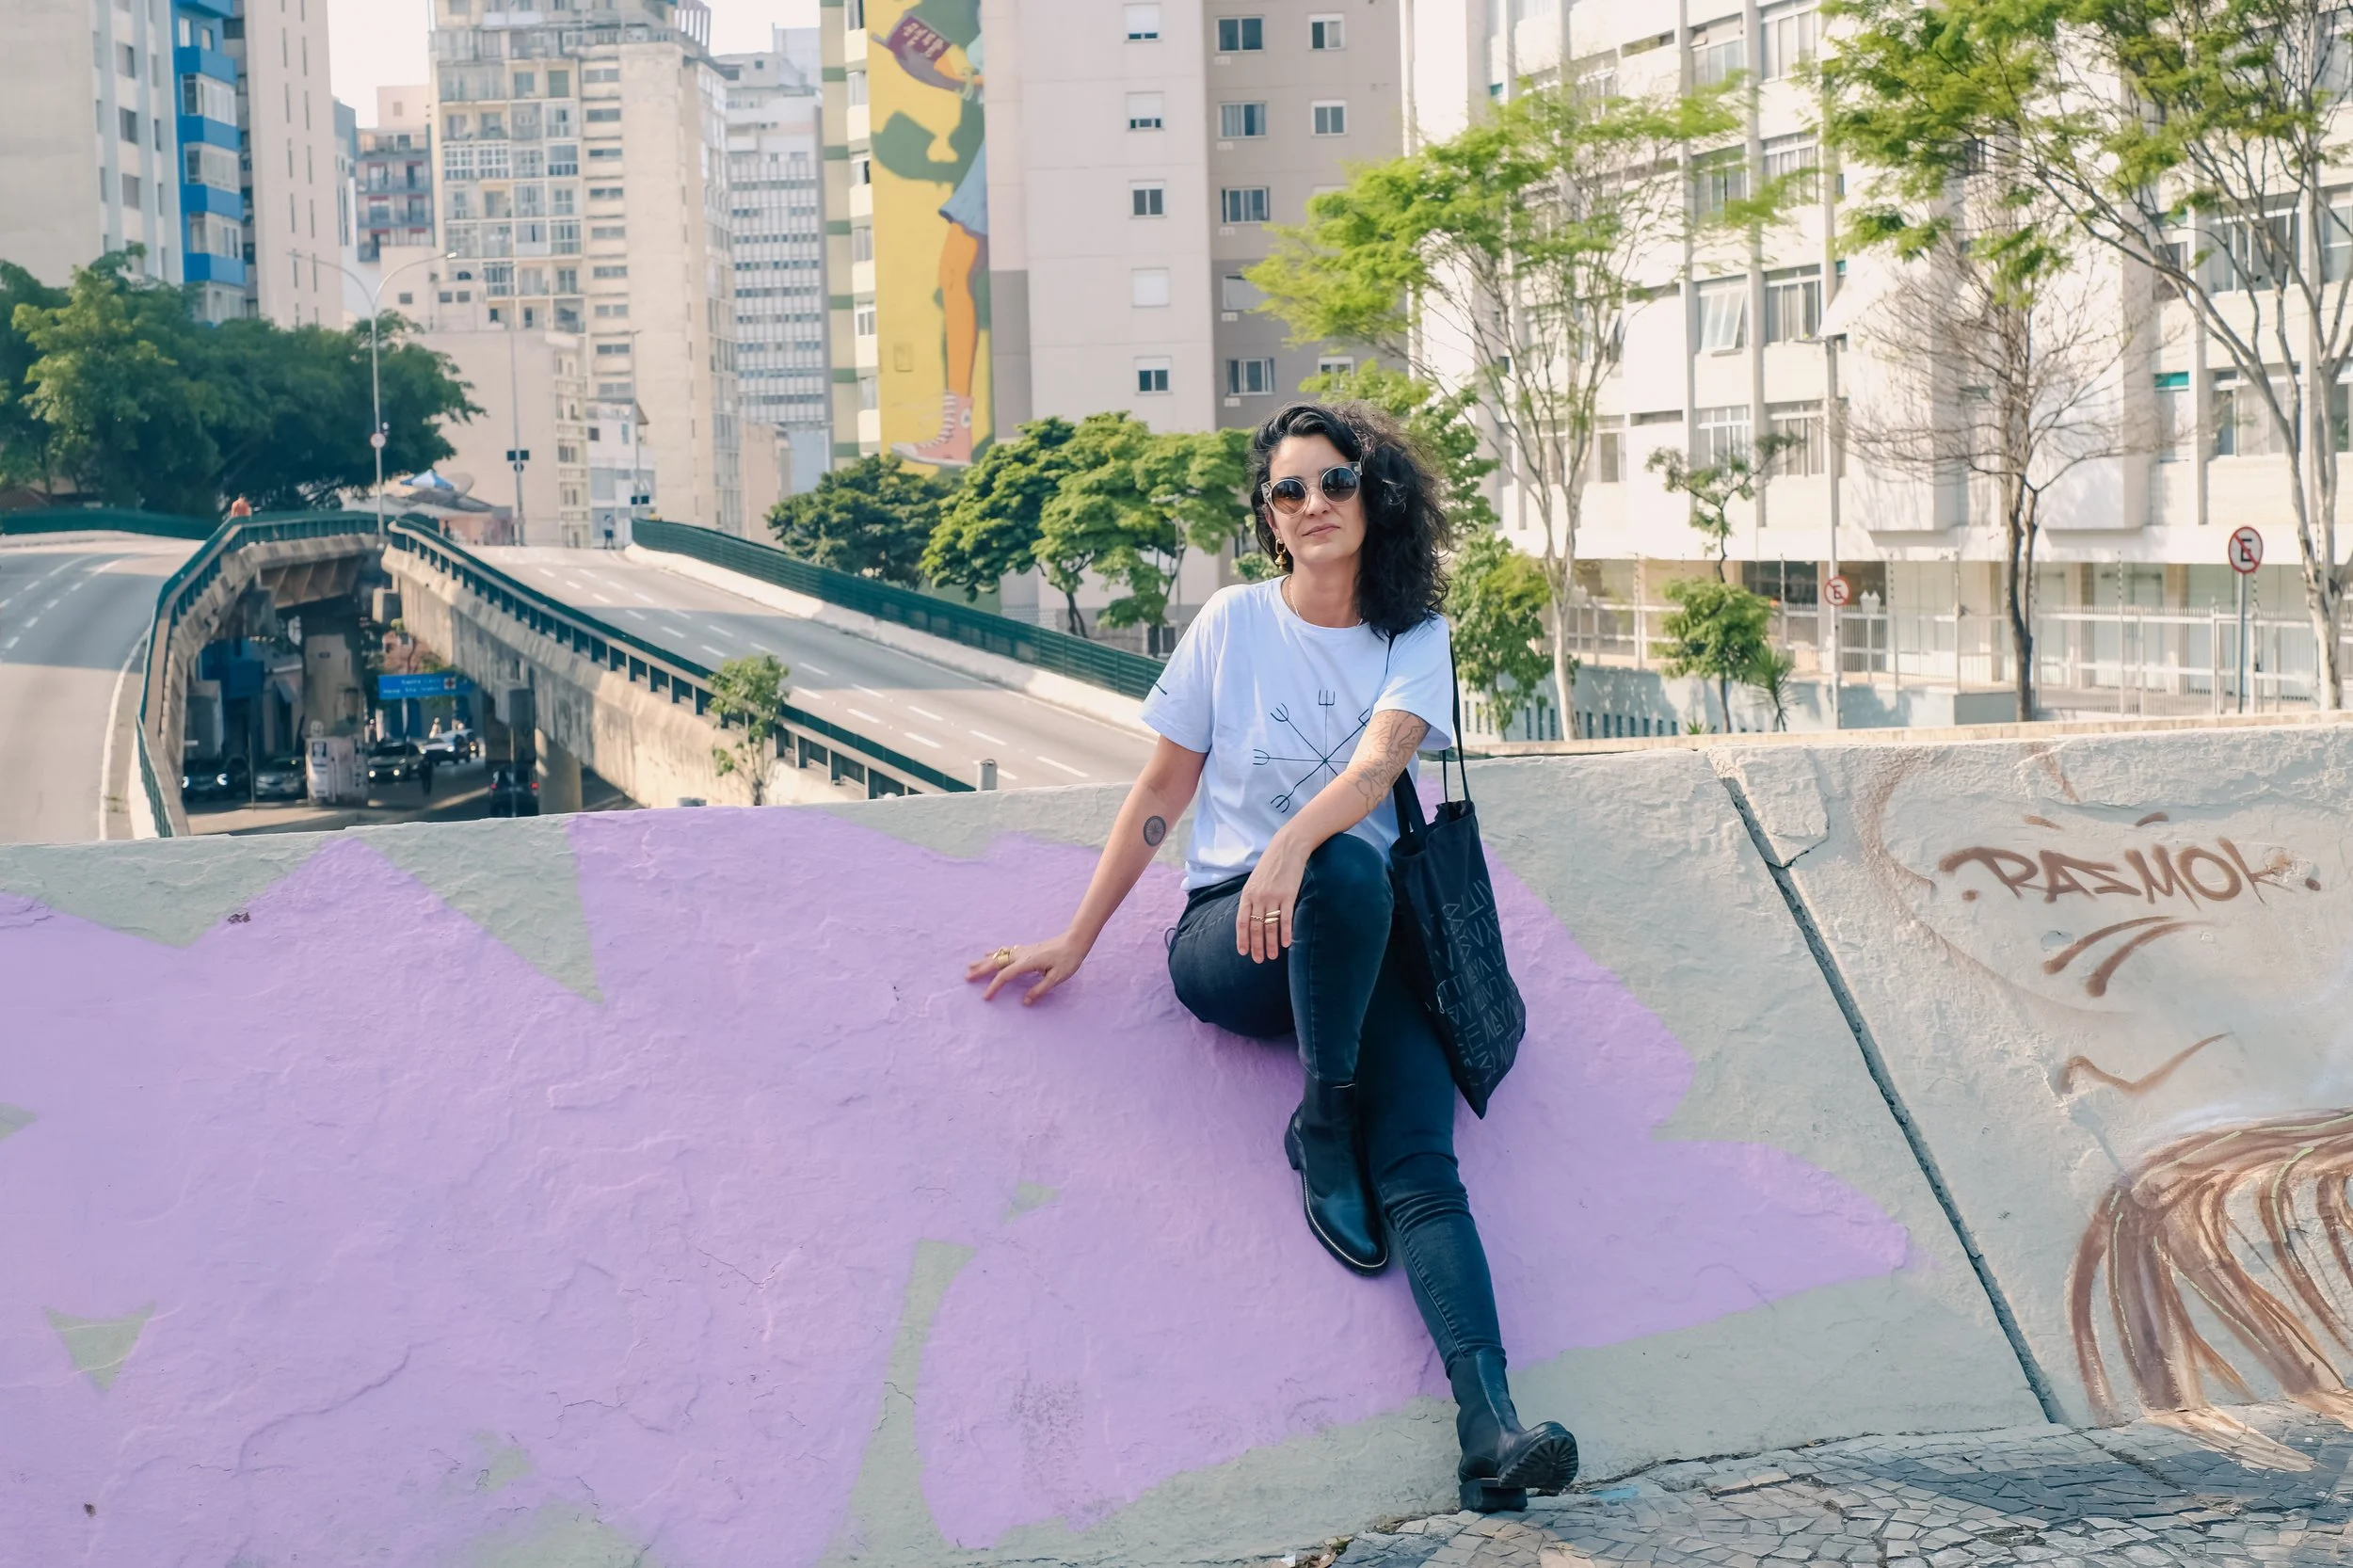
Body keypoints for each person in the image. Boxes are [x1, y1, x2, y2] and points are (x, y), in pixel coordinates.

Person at [967, 402, 1578, 1512]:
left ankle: (1490, 1428)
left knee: (1425, 1170)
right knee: (1342, 867)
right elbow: (1163, 789)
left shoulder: (1413, 635)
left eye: (1333, 482)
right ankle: (1322, 1116)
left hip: (1358, 929)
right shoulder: (1232, 624)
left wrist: (1294, 841)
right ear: (1267, 518)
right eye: (1288, 491)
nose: (1311, 506)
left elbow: (1382, 760)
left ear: (1373, 494)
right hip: (1228, 942)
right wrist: (1078, 933)